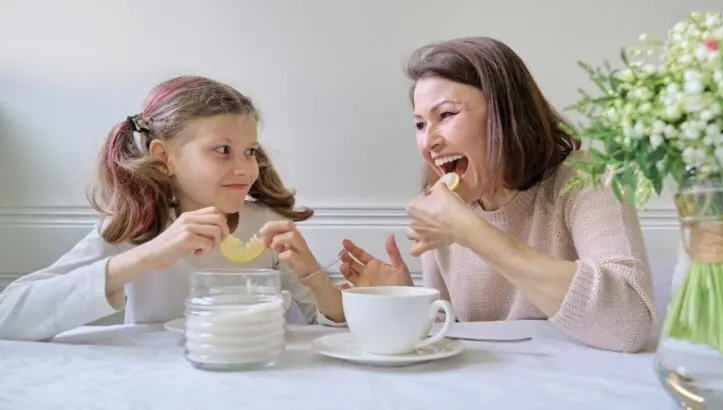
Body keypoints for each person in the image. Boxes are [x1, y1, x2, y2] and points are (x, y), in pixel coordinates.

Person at [338, 37, 656, 353]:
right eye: (420, 124)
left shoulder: (585, 179)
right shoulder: (439, 205)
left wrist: (472, 233)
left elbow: (630, 326)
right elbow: (448, 342)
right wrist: (402, 301)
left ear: (505, 113)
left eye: (446, 115)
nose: (428, 141)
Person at [0, 75, 345, 341]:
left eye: (250, 151)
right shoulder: (135, 228)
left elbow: (325, 328)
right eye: (223, 149)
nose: (246, 168)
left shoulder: (267, 224)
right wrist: (147, 255)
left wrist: (313, 274)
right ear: (165, 157)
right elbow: (9, 317)